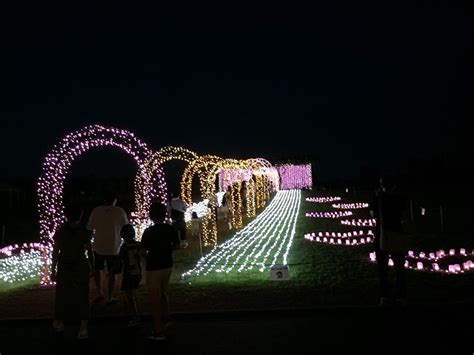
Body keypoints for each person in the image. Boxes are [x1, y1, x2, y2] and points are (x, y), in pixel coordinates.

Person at [51, 204, 94, 340]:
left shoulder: (61, 231)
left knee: (62, 294)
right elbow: (89, 251)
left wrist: (53, 269)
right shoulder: (84, 231)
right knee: (82, 295)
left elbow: (55, 252)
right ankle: (83, 328)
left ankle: (60, 322)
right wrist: (92, 266)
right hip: (80, 265)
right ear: (80, 216)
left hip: (64, 265)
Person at [141, 202, 181, 341]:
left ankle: (158, 331)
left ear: (151, 216)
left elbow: (143, 250)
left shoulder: (148, 232)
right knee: (164, 292)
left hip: (154, 267)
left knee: (154, 299)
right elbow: (177, 246)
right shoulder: (170, 229)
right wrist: (167, 249)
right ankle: (166, 318)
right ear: (165, 215)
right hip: (167, 266)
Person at [370, 177, 408, 307]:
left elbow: (372, 214)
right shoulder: (399, 197)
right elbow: (404, 213)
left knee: (383, 269)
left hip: (383, 236)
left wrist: (377, 198)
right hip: (397, 234)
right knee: (399, 268)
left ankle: (384, 297)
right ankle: (401, 296)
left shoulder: (379, 197)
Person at [87, 190, 128, 304]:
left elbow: (90, 229)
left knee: (97, 269)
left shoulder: (96, 211)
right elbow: (126, 228)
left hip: (98, 246)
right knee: (112, 271)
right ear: (115, 200)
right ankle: (110, 296)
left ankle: (100, 293)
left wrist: (87, 243)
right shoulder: (120, 211)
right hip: (114, 247)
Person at [118, 224, 142, 327]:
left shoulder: (124, 247)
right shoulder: (139, 245)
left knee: (129, 296)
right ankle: (130, 315)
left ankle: (135, 317)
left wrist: (113, 271)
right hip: (137, 272)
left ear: (123, 236)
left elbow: (119, 261)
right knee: (130, 294)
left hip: (128, 274)